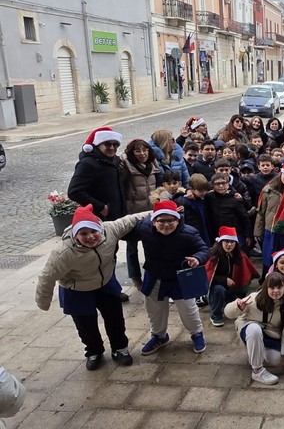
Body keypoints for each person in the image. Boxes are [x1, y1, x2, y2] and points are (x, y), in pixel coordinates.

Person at [35, 204, 149, 370]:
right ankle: (93, 352)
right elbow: (47, 277)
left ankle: (120, 348)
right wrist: (43, 302)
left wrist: (158, 212)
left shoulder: (110, 230)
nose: (90, 237)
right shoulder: (63, 252)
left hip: (105, 284)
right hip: (77, 290)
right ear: (75, 234)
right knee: (85, 325)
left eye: (93, 231)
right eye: (83, 233)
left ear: (100, 229)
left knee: (115, 319)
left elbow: (131, 220)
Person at [130, 200, 210, 355]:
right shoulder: (144, 228)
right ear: (153, 221)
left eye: (170, 220)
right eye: (161, 221)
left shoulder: (189, 233)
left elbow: (204, 249)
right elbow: (124, 232)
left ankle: (197, 333)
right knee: (154, 310)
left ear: (177, 220)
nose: (166, 225)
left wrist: (197, 258)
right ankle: (159, 336)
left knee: (188, 309)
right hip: (154, 275)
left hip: (180, 278)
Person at [68, 126, 129, 302]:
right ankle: (102, 290)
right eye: (107, 144)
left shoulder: (114, 161)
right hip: (98, 220)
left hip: (113, 219)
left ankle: (110, 288)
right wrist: (100, 206)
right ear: (98, 145)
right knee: (100, 257)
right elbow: (74, 191)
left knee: (110, 255)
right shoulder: (88, 164)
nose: (112, 148)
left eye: (115, 145)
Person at [224, 271, 284, 385]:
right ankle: (257, 370)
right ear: (266, 288)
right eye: (272, 287)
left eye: (279, 287)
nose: (276, 291)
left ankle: (257, 350)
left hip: (270, 334)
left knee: (276, 360)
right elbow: (228, 313)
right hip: (249, 328)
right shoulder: (254, 298)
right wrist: (238, 307)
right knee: (254, 329)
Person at [121, 138, 161, 290]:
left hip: (150, 212)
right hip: (132, 212)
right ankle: (135, 277)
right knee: (132, 247)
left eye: (145, 150)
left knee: (151, 244)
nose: (142, 154)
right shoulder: (125, 167)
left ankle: (152, 275)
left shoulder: (154, 164)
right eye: (137, 151)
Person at [205, 227, 259, 327]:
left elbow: (245, 273)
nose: (229, 245)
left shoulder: (239, 255)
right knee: (219, 290)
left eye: (232, 242)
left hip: (232, 287)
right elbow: (208, 276)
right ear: (221, 242)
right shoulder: (214, 256)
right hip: (217, 286)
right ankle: (215, 314)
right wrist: (224, 280)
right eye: (226, 241)